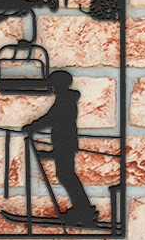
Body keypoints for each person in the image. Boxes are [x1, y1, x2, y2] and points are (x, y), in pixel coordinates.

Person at [25, 68, 98, 227]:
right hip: (63, 143)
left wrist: (32, 127)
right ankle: (83, 209)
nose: (52, 88)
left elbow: (51, 119)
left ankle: (83, 210)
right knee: (66, 175)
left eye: (54, 84)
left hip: (64, 143)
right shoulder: (65, 99)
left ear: (59, 85)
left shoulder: (65, 100)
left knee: (66, 176)